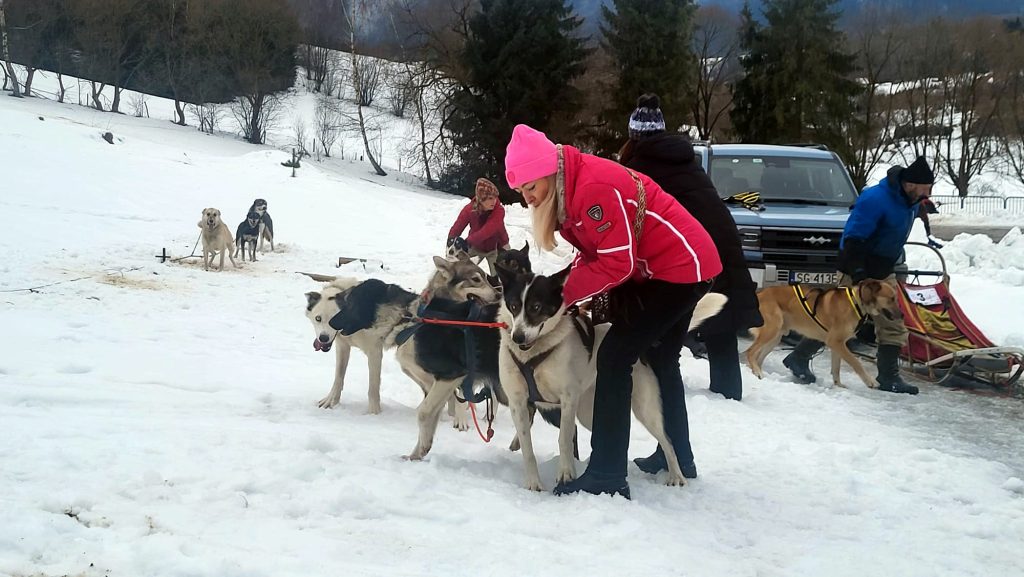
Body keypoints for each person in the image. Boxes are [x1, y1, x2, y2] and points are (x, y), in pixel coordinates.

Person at [504, 124, 722, 498]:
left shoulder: (591, 189)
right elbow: (596, 253)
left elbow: (618, 262)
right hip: (673, 267)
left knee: (614, 356)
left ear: (549, 172)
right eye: (521, 192)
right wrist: (570, 286)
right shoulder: (570, 187)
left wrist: (562, 296)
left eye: (531, 187)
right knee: (661, 357)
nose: (528, 199)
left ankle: (606, 473)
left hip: (680, 267)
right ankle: (677, 456)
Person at [619, 93, 763, 405]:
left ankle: (660, 387)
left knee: (663, 325)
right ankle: (729, 396)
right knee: (721, 321)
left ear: (633, 135)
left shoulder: (639, 168)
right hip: (722, 243)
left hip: (691, 250)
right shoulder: (685, 160)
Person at [784, 156, 935, 395]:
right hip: (857, 266)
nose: (928, 194)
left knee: (892, 319)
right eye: (925, 188)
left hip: (884, 268)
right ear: (910, 184)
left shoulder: (911, 201)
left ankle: (888, 376)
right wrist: (858, 274)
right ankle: (799, 357)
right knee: (837, 322)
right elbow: (853, 238)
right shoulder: (875, 199)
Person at [447, 177, 510, 274]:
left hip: (497, 247)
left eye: (495, 198)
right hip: (476, 247)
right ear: (481, 199)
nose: (494, 201)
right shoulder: (469, 209)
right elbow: (458, 226)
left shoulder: (499, 210)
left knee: (500, 276)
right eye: (490, 198)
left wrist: (467, 242)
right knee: (462, 272)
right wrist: (450, 243)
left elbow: (488, 230)